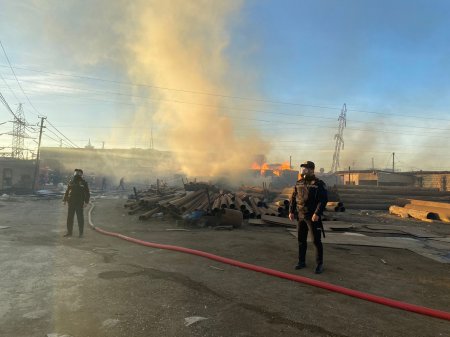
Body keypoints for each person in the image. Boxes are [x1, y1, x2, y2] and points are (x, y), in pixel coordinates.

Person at [289, 161, 328, 274]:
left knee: (316, 241)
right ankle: (301, 262)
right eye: (303, 168)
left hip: (312, 217)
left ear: (312, 170)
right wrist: (291, 211)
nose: (303, 170)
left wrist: (317, 213)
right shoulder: (299, 182)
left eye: (306, 168)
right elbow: (293, 198)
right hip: (300, 215)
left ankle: (319, 264)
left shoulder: (319, 183)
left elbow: (323, 200)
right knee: (301, 240)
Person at [63, 169, 90, 238]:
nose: (77, 174)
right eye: (76, 172)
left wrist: (86, 202)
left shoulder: (84, 183)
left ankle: (81, 233)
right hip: (71, 202)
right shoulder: (71, 181)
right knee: (70, 218)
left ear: (81, 174)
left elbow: (87, 193)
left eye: (78, 172)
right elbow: (67, 191)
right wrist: (65, 200)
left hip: (79, 202)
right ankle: (69, 232)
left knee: (80, 218)